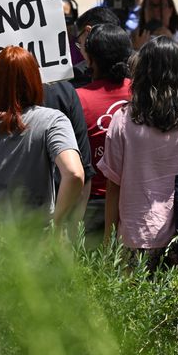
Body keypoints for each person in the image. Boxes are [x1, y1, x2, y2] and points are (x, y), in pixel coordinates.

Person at [0, 46, 84, 255]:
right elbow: (74, 173)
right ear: (35, 79)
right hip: (33, 243)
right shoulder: (52, 121)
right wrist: (58, 225)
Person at [97, 37, 178, 259]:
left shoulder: (123, 120)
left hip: (136, 235)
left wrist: (108, 240)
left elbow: (113, 185)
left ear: (141, 72)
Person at [76, 24, 132, 241]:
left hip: (92, 207)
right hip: (134, 204)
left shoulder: (78, 98)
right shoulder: (143, 93)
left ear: (90, 59)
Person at [70, 6, 122, 89]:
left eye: (79, 42)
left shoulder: (76, 77)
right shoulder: (136, 69)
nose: (81, 50)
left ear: (88, 33)